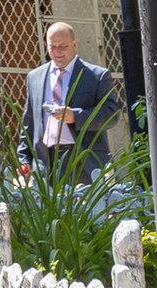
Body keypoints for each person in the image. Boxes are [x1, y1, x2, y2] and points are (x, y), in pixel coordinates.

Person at [19, 21, 121, 178]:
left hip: (84, 161)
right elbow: (29, 122)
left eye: (63, 46)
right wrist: (25, 158)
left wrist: (75, 116)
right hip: (46, 163)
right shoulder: (35, 77)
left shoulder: (96, 76)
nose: (57, 52)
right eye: (52, 47)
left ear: (74, 44)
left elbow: (111, 115)